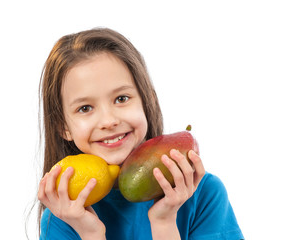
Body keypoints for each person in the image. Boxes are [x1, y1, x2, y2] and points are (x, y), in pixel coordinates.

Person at [37, 27, 244, 240]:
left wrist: (164, 222)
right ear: (63, 127)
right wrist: (90, 233)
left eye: (121, 98)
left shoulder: (205, 194)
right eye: (85, 108)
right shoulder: (64, 214)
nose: (109, 121)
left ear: (147, 100)